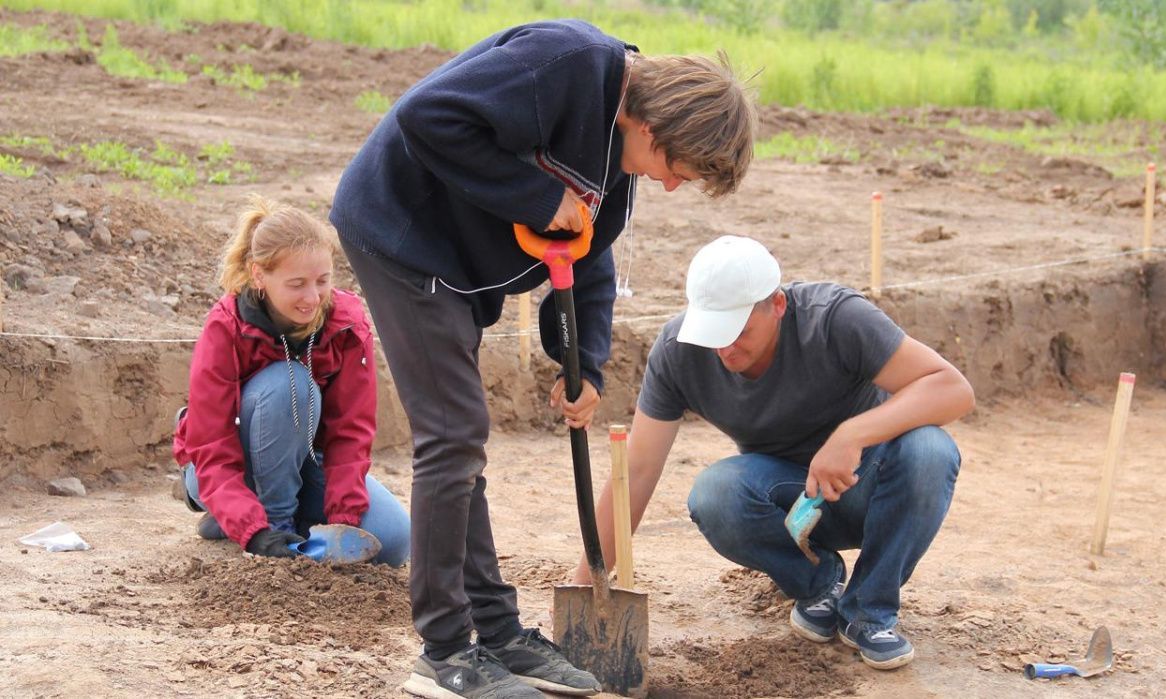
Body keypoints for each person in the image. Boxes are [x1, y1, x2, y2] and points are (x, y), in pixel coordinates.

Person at [329, 19, 756, 699]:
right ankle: (443, 652)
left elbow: (589, 250)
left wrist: (579, 362)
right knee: (454, 434)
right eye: (680, 170)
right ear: (656, 128)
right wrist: (535, 196)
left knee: (460, 440)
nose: (673, 186)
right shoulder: (569, 64)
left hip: (459, 266)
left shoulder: (619, 155)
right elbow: (427, 116)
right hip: (399, 230)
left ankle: (497, 635)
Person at [572, 235, 975, 671]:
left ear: (778, 305)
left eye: (739, 331)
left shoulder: (834, 318)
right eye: (714, 332)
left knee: (931, 450)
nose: (725, 349)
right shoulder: (679, 352)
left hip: (868, 487)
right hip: (787, 504)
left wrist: (851, 436)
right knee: (715, 493)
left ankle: (869, 610)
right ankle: (820, 585)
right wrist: (584, 586)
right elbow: (637, 469)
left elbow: (953, 389)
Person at [173, 196, 411, 568]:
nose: (312, 297)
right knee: (293, 383)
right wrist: (260, 534)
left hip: (302, 460)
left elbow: (350, 433)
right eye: (297, 284)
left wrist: (342, 522)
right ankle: (271, 524)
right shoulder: (225, 325)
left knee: (392, 542)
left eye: (322, 281)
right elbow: (211, 444)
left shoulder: (348, 324)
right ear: (258, 276)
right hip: (222, 466)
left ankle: (243, 521)